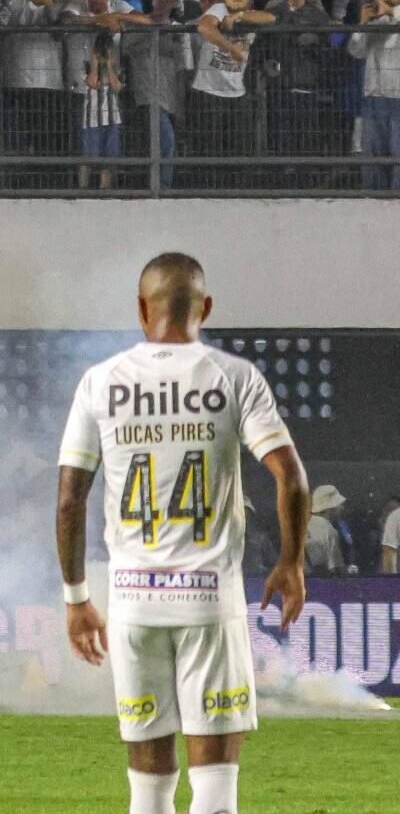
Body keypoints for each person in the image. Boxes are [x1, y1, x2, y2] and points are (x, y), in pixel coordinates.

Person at [57, 253, 310, 814]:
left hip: (133, 606)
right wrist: (291, 562)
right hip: (208, 605)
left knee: (147, 790)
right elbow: (290, 476)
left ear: (141, 308)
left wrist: (77, 599)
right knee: (215, 787)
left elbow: (71, 497)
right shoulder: (235, 377)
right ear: (206, 308)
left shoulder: (101, 382)